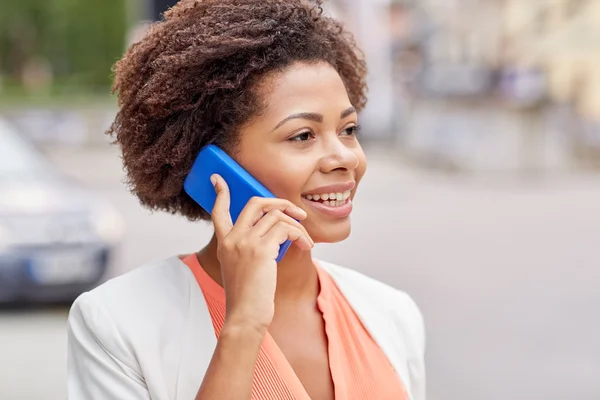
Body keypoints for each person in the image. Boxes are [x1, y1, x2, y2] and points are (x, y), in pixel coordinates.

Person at [66, 1, 426, 399]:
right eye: (303, 135)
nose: (345, 158)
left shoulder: (391, 314)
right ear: (214, 166)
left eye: (348, 129)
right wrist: (242, 327)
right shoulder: (116, 324)